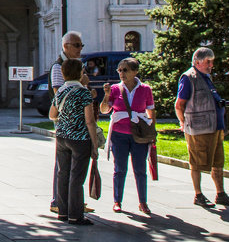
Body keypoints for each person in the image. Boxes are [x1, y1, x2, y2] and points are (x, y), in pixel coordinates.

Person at [175, 46, 229, 208]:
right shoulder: (189, 77)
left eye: (212, 61)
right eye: (208, 62)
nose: (211, 65)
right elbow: (179, 104)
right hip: (198, 129)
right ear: (197, 62)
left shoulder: (205, 77)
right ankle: (198, 195)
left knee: (218, 162)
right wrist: (183, 122)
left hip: (215, 128)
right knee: (197, 162)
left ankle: (220, 193)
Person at [99, 56, 155, 214]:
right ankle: (117, 201)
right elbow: (104, 110)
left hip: (139, 135)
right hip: (119, 134)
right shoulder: (115, 89)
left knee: (140, 169)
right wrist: (106, 95)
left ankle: (143, 202)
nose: (121, 73)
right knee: (120, 168)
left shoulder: (145, 89)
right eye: (119, 70)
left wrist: (152, 131)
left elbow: (151, 111)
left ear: (135, 71)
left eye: (125, 70)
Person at [50, 57, 100, 225]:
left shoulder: (61, 92)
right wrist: (94, 144)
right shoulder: (84, 92)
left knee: (63, 174)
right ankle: (75, 215)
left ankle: (62, 212)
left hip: (62, 137)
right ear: (80, 74)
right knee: (77, 177)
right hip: (79, 138)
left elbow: (52, 115)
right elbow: (90, 121)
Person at [50, 31, 86, 214]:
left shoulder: (73, 64)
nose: (81, 49)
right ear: (66, 46)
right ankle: (61, 201)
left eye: (81, 45)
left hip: (69, 124)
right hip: (70, 124)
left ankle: (71, 202)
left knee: (69, 166)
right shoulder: (59, 67)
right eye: (77, 45)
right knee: (66, 167)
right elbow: (58, 94)